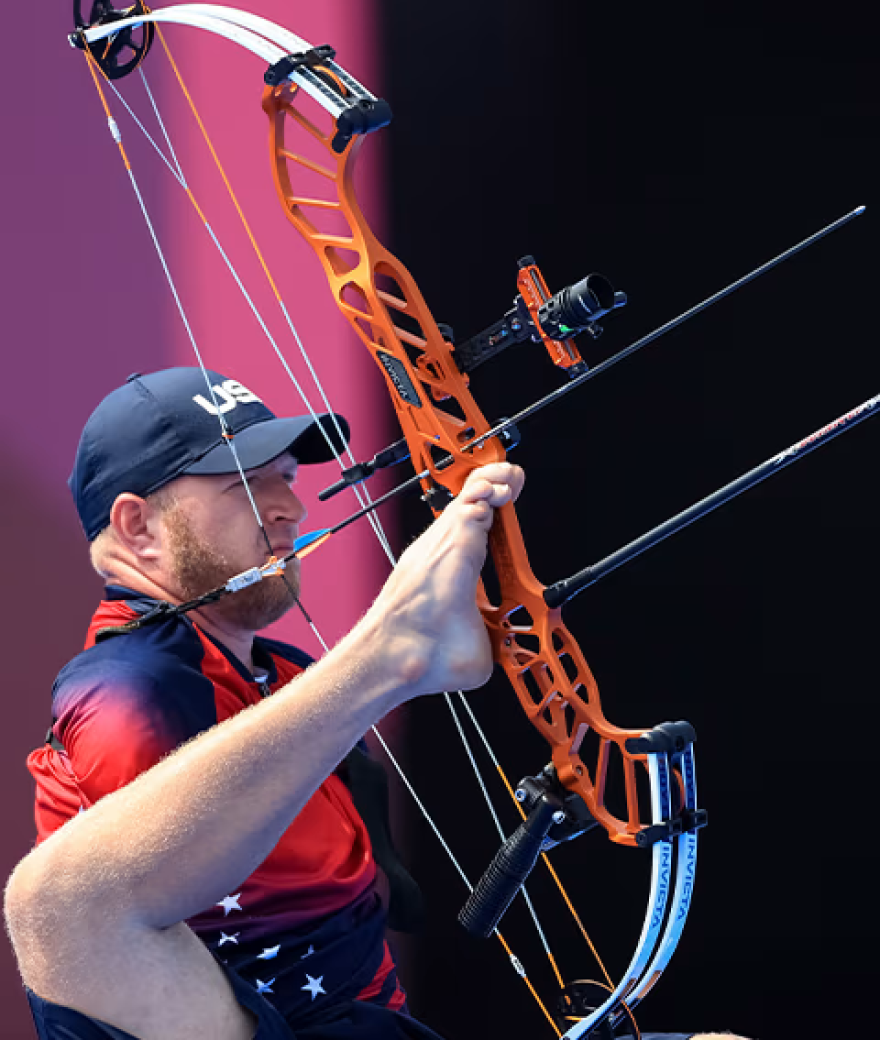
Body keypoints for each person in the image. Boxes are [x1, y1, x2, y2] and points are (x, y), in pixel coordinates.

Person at [5, 368, 742, 1040]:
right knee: (55, 902)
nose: (290, 507)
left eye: (287, 477)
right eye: (244, 484)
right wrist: (376, 662)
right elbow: (208, 900)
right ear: (137, 527)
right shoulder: (130, 684)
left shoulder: (278, 676)